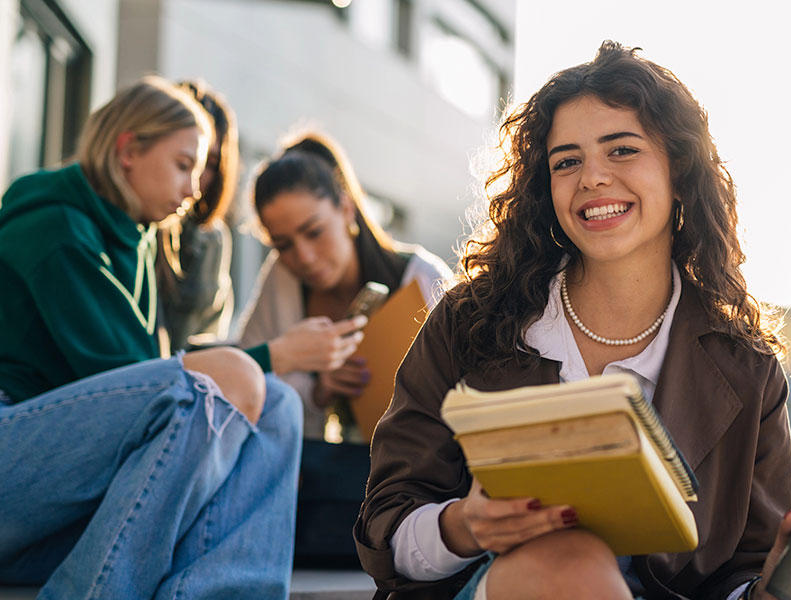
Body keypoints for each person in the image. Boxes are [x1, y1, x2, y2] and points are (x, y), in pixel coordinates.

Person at [354, 41, 791, 600]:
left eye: (621, 150)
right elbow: (386, 525)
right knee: (574, 559)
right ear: (547, 187)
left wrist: (778, 590)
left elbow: (743, 571)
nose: (591, 177)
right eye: (566, 161)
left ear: (679, 171)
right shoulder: (469, 322)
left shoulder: (746, 368)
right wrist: (464, 526)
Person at [0, 76, 362, 599]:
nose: (195, 189)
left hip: (52, 492)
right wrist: (273, 354)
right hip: (15, 459)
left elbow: (147, 375)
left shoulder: (138, 237)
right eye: (184, 164)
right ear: (129, 150)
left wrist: (265, 366)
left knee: (276, 404)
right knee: (210, 389)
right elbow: (138, 381)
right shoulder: (54, 225)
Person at [237, 130, 452, 441]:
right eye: (282, 245)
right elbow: (244, 381)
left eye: (313, 232)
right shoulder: (281, 277)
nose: (304, 257)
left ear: (346, 209)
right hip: (323, 473)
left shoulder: (423, 278)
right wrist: (317, 392)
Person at [156, 80, 238, 353]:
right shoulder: (128, 225)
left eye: (209, 164)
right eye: (184, 162)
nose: (195, 181)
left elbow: (209, 341)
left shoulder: (211, 239)